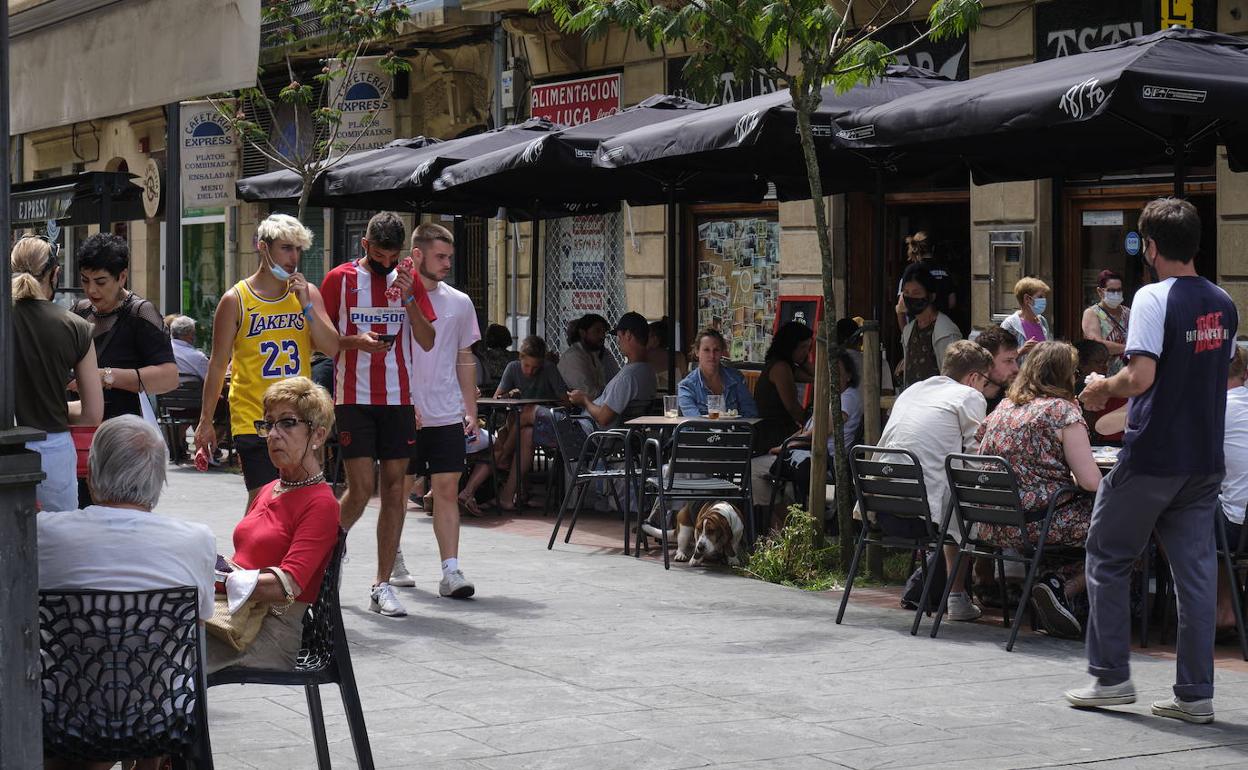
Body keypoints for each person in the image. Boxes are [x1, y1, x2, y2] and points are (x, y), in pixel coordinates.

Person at [1069, 197, 1239, 725]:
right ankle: (1195, 694)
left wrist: (1100, 390)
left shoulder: (1151, 298)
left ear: (1150, 247)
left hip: (1154, 453)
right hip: (1203, 458)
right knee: (1195, 574)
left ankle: (1112, 677)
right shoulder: (1225, 301)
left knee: (1107, 555)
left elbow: (1141, 377)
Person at [320, 212, 437, 608]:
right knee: (361, 488)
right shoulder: (340, 279)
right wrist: (355, 342)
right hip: (353, 396)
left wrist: (407, 296)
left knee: (394, 489)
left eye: (393, 256)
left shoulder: (408, 280)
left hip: (398, 399)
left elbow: (426, 339)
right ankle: (325, 552)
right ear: (364, 245)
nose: (386, 263)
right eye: (379, 254)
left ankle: (380, 584)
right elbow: (320, 340)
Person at [194, 214, 340, 510]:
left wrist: (308, 307)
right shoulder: (235, 299)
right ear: (263, 247)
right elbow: (218, 364)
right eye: (286, 248)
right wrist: (206, 421)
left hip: (299, 417)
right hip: (254, 418)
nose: (294, 257)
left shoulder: (306, 294)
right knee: (264, 501)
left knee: (303, 500)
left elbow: (332, 346)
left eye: (299, 249)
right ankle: (250, 556)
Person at [38, 415, 216, 640]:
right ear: (159, 480)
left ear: (90, 475)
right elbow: (199, 621)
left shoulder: (43, 532)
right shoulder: (197, 540)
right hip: (161, 675)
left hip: (63, 674)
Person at [207, 377, 339, 674]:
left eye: (287, 423)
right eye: (268, 424)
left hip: (270, 633)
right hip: (233, 617)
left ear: (317, 435)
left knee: (167, 650)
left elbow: (288, 585)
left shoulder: (321, 503)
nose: (273, 435)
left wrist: (213, 579)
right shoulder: (270, 488)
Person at [976, 341, 1103, 639]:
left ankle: (1055, 589)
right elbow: (1091, 482)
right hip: (1040, 523)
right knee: (1132, 530)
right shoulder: (1062, 412)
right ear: (1065, 374)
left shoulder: (1003, 409)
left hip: (992, 522)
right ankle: (1060, 586)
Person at [877, 340, 998, 621]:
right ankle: (958, 597)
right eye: (984, 383)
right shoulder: (968, 396)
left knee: (952, 495)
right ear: (974, 378)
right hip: (923, 511)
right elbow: (974, 458)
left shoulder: (914, 390)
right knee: (968, 498)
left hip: (882, 502)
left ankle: (954, 593)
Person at [406, 222, 482, 607]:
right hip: (406, 411)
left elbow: (464, 357)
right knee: (398, 491)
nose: (447, 263)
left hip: (447, 412)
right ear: (417, 254)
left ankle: (450, 570)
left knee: (447, 489)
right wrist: (404, 400)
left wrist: (470, 410)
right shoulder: (397, 297)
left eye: (450, 256)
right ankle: (393, 558)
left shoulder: (460, 302)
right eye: (440, 256)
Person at [11, 235, 104, 513]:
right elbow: (92, 414)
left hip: (6, 444)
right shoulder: (76, 327)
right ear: (55, 274)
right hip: (51, 449)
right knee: (57, 539)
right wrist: (56, 406)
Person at [72, 233, 178, 421]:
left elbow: (169, 377)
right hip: (82, 427)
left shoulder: (140, 313)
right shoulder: (79, 312)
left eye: (100, 281)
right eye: (85, 280)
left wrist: (105, 377)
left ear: (122, 277)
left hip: (126, 430)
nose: (91, 290)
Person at [460, 335, 570, 513]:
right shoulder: (513, 368)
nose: (530, 372)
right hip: (520, 426)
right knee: (522, 429)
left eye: (535, 368)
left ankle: (502, 457)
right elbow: (497, 398)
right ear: (520, 359)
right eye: (526, 366)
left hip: (544, 424)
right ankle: (508, 495)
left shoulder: (549, 369)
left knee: (517, 422)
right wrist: (509, 394)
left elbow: (565, 401)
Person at [755, 350, 862, 530]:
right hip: (808, 453)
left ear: (849, 376)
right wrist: (787, 443)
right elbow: (806, 430)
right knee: (769, 480)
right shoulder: (831, 397)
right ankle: (788, 527)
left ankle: (790, 527)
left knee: (752, 471)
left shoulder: (847, 398)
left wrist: (784, 447)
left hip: (821, 458)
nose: (831, 377)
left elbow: (819, 432)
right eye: (828, 372)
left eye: (837, 372)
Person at [569, 312, 657, 431]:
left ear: (628, 335)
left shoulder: (628, 377)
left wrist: (584, 400)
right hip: (612, 437)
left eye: (619, 337)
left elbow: (603, 418)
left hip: (590, 435)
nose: (617, 342)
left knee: (540, 414)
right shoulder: (649, 371)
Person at [1215, 346, 1248, 634]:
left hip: (1236, 527)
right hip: (1240, 523)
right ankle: (1228, 606)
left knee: (1170, 516)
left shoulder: (1213, 410)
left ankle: (1214, 607)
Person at [752, 321, 814, 453]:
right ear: (790, 346)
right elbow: (793, 407)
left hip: (780, 428)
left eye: (808, 348)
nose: (806, 352)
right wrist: (810, 426)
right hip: (774, 432)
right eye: (803, 347)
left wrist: (804, 360)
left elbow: (818, 377)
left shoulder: (785, 365)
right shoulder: (780, 367)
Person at [898, 267, 962, 390]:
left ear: (931, 296)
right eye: (906, 293)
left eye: (916, 293)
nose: (910, 297)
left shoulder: (946, 332)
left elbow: (952, 379)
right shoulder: (908, 330)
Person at [677, 328, 759, 418]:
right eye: (706, 350)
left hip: (733, 431)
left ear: (722, 352)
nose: (712, 356)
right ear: (697, 352)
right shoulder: (686, 386)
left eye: (716, 350)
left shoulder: (736, 378)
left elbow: (751, 413)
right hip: (701, 432)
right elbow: (695, 422)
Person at [894, 230, 956, 331]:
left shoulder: (911, 271)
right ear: (933, 248)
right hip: (941, 327)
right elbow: (952, 302)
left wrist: (905, 335)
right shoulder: (944, 271)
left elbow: (902, 305)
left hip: (918, 328)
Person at [558, 313, 619, 400]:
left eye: (603, 332)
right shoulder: (573, 356)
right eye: (597, 331)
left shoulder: (593, 353)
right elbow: (587, 394)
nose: (602, 336)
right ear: (582, 333)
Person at [1075, 339, 1125, 444]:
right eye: (1098, 362)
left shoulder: (1108, 384)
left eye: (1106, 362)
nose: (1105, 367)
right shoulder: (1082, 386)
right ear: (1082, 365)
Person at [1082, 269, 1131, 376]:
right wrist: (1129, 348)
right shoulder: (1092, 313)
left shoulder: (1128, 313)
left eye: (1119, 290)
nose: (1116, 294)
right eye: (1112, 291)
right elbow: (1097, 345)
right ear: (1100, 291)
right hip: (1102, 375)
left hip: (1127, 375)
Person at [1001, 276, 1052, 357]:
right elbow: (1002, 357)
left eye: (1044, 297)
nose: (1044, 301)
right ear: (1027, 299)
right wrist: (1021, 351)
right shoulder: (1010, 324)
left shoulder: (1042, 321)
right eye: (1040, 297)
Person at [974, 325, 1020, 413]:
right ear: (987, 361)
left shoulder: (1015, 400)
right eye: (1008, 361)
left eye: (1016, 360)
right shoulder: (967, 401)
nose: (1016, 369)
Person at [646, 317, 688, 392]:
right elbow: (685, 384)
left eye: (647, 337)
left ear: (655, 339)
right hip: (677, 401)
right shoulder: (679, 357)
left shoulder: (645, 357)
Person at [169, 314, 210, 383]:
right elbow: (213, 380)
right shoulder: (198, 357)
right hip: (196, 393)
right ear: (190, 334)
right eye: (194, 332)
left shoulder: (161, 351)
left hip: (164, 392)